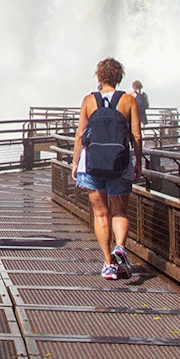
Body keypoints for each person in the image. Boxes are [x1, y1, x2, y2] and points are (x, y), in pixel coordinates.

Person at [72, 57, 143, 280]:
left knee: (101, 213)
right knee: (119, 210)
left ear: (99, 77)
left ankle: (108, 263)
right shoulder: (128, 100)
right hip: (119, 163)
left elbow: (81, 134)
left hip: (92, 163)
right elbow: (136, 135)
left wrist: (75, 162)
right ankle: (120, 246)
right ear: (119, 78)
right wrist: (138, 162)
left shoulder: (88, 101)